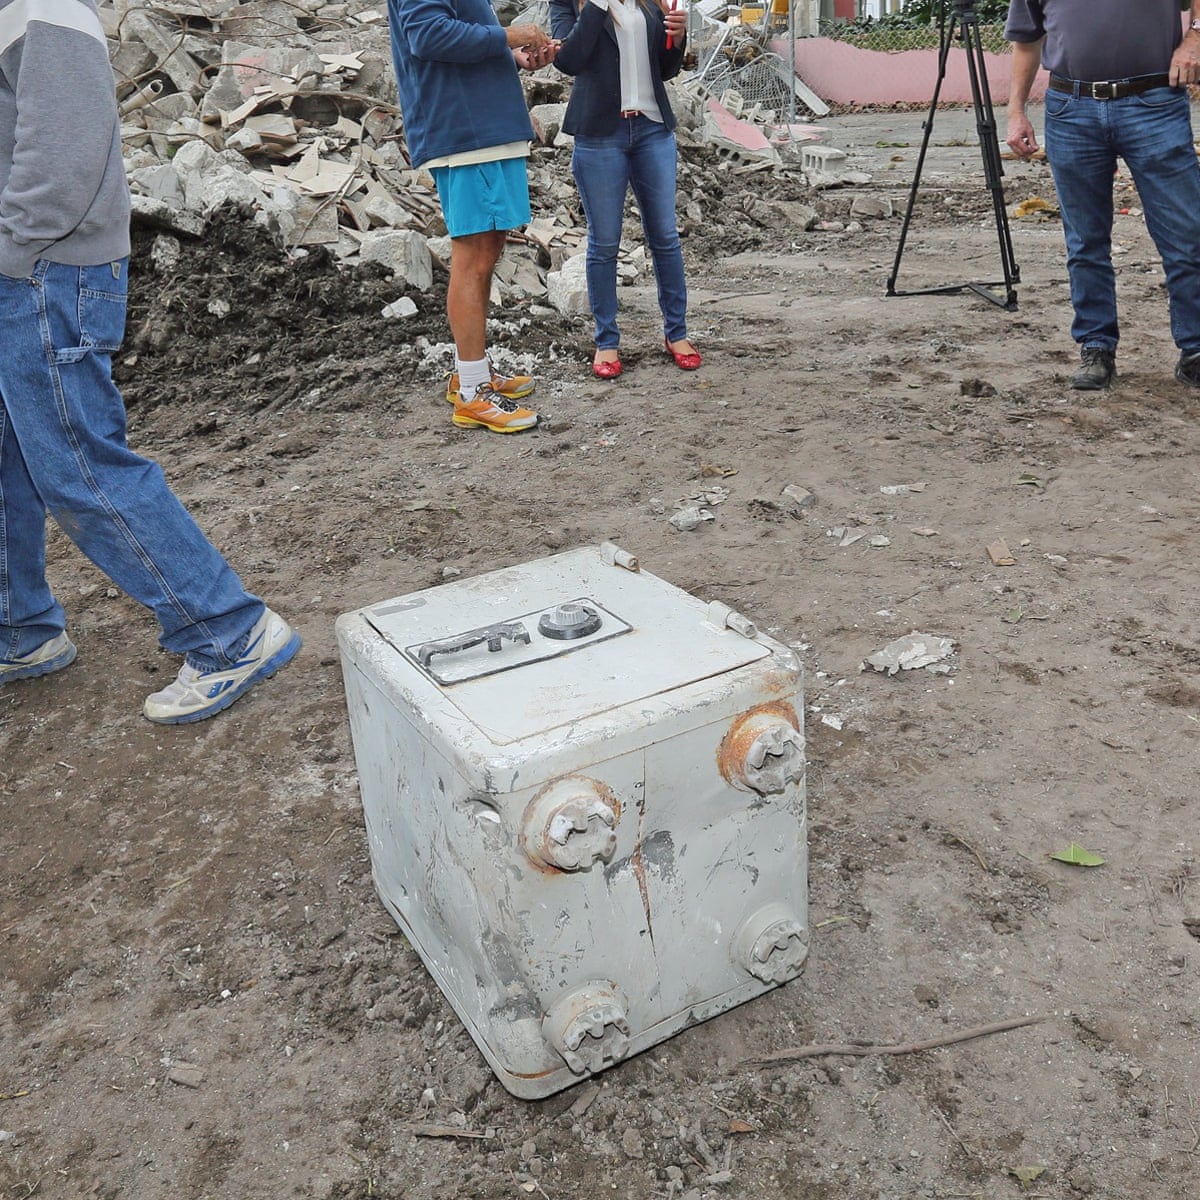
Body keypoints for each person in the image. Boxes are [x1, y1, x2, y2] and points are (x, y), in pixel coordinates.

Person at [0, 0, 301, 723]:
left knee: (79, 465)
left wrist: (8, 257)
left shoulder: (42, 10)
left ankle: (231, 632)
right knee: (12, 456)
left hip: (44, 272)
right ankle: (20, 630)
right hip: (30, 271)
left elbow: (64, 165)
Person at [1005, 1, 1200, 391]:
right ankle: (1096, 347)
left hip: (1154, 103)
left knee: (1187, 235)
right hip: (1070, 108)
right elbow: (1027, 39)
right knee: (1085, 241)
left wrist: (1195, 35)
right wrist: (1015, 110)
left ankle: (1195, 348)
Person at [387, 0, 556, 433]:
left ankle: (472, 372)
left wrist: (510, 57)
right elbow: (427, 36)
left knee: (487, 249)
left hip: (483, 127)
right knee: (474, 254)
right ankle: (472, 396)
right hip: (465, 131)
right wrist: (509, 36)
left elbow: (456, 38)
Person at [550, 0, 701, 380]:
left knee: (665, 236)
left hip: (652, 130)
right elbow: (568, 60)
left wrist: (677, 38)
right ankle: (607, 342)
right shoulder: (568, 3)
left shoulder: (648, 2)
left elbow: (663, 71)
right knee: (604, 243)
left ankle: (677, 334)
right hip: (601, 135)